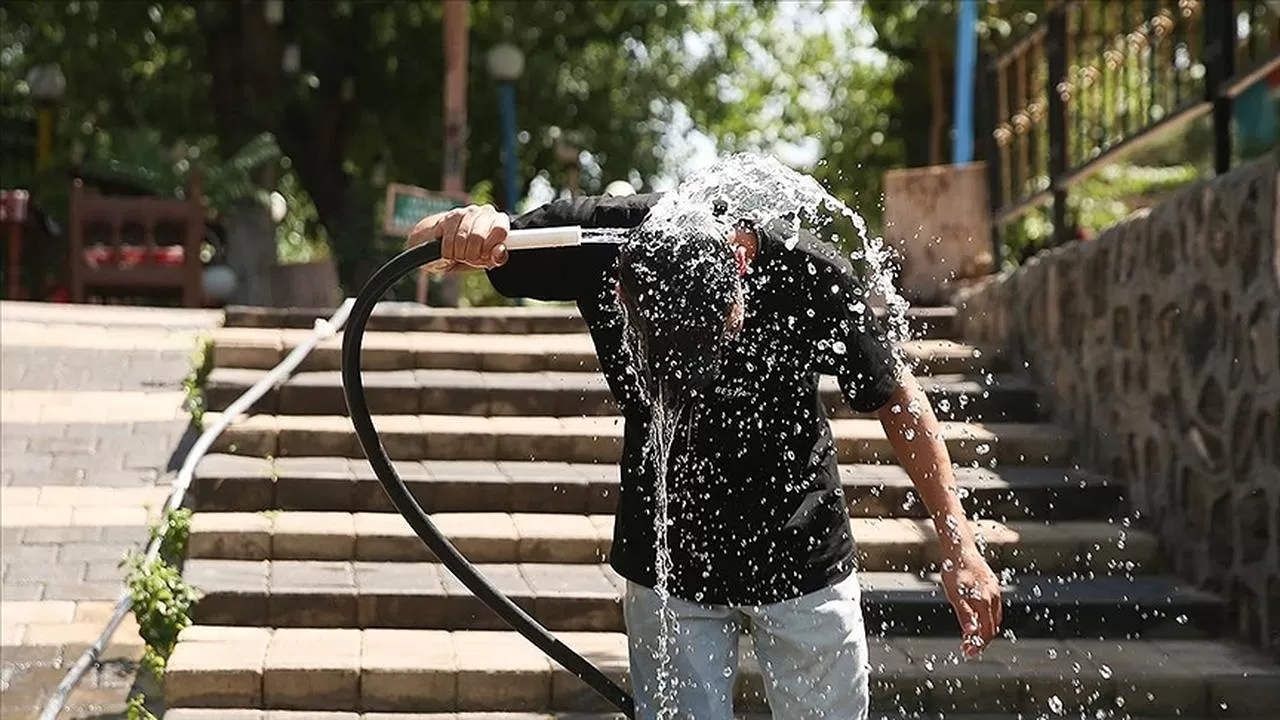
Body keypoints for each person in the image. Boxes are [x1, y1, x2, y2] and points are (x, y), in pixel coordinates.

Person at [409, 193, 1003, 720]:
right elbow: (422, 245)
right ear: (620, 286)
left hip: (801, 556)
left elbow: (898, 401)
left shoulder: (808, 271)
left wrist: (960, 547)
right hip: (668, 563)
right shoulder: (597, 240)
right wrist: (464, 228)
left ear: (741, 275)